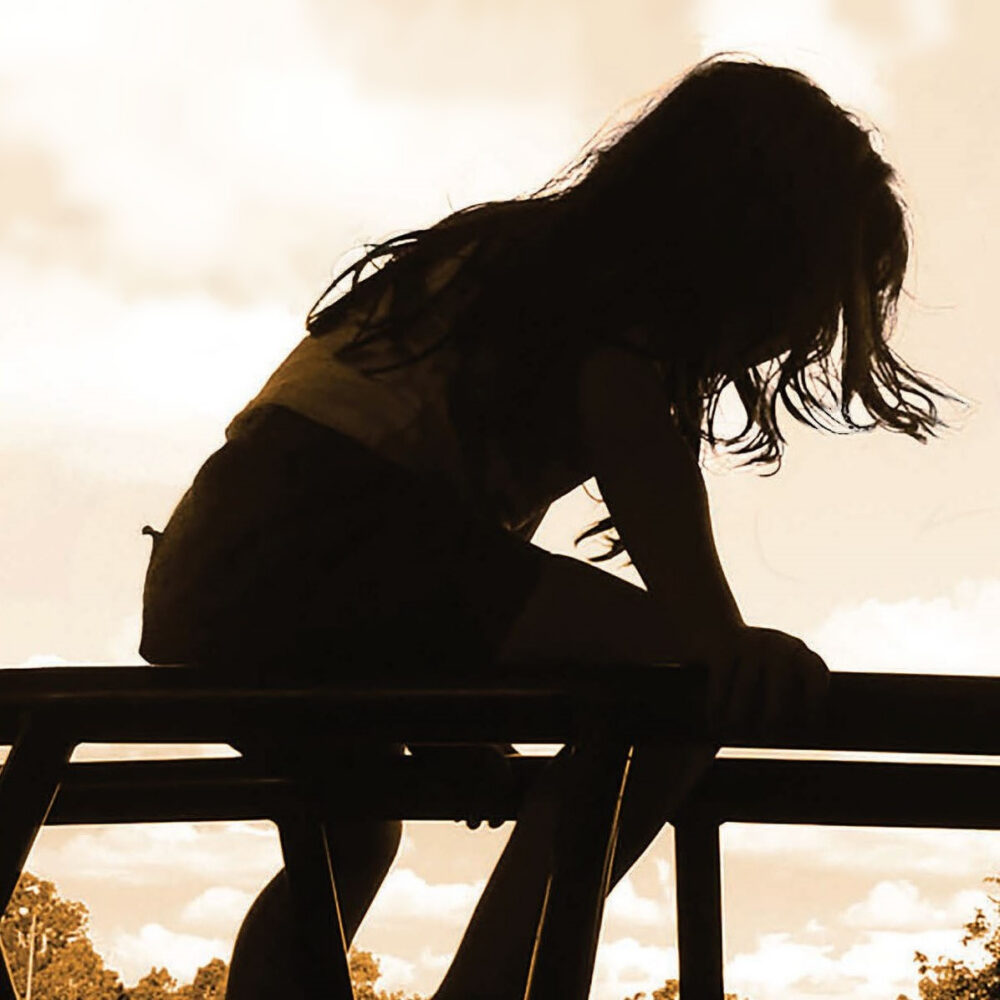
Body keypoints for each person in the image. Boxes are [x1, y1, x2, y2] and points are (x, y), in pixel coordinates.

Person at [139, 55, 955, 1000]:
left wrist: (449, 736)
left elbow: (439, 548)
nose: (784, 334)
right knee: (674, 695)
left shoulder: (526, 267)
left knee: (355, 827)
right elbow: (633, 462)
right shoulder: (612, 297)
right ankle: (499, 987)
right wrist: (715, 639)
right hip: (315, 527)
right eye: (797, 298)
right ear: (745, 235)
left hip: (217, 564)